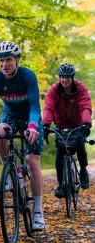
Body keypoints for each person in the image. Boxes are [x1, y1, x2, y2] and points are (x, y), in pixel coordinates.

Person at [0, 41, 45, 231]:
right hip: (10, 116)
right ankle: (9, 170)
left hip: (31, 117)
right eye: (0, 61)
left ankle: (38, 212)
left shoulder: (28, 76)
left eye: (8, 60)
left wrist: (32, 126)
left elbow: (35, 106)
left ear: (17, 60)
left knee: (32, 162)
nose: (3, 64)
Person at [42, 63, 92, 198]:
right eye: (62, 77)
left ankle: (83, 172)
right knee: (59, 154)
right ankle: (61, 185)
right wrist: (46, 124)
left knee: (80, 145)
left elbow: (85, 107)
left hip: (77, 125)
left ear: (72, 78)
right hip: (60, 125)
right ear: (59, 77)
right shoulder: (54, 90)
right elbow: (48, 107)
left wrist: (86, 123)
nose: (64, 80)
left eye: (68, 77)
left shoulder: (80, 88)